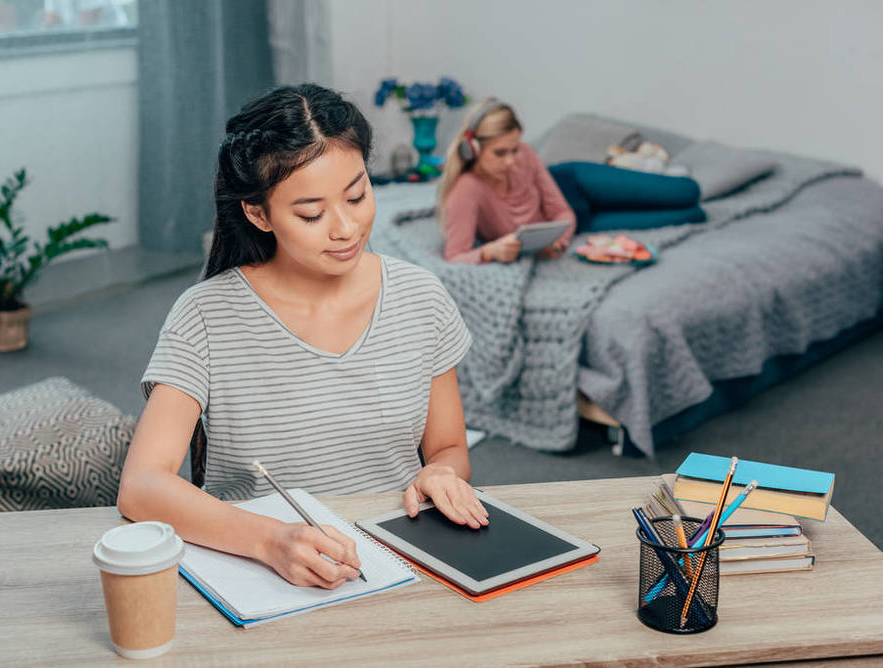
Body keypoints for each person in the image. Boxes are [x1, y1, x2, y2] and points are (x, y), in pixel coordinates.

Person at [117, 83, 488, 591]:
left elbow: (447, 446)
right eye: (311, 214)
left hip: (396, 564)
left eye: (357, 195)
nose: (346, 228)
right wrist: (270, 541)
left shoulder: (420, 297)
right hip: (260, 574)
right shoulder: (204, 316)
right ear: (258, 213)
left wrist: (443, 474)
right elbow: (141, 486)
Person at [438, 98, 705, 264]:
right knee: (693, 214)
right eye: (500, 153)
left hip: (577, 184)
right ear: (472, 149)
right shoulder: (465, 192)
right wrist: (489, 252)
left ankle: (648, 168)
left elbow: (561, 210)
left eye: (515, 149)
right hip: (584, 223)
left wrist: (558, 240)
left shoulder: (526, 156)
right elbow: (455, 255)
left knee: (688, 192)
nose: (511, 161)